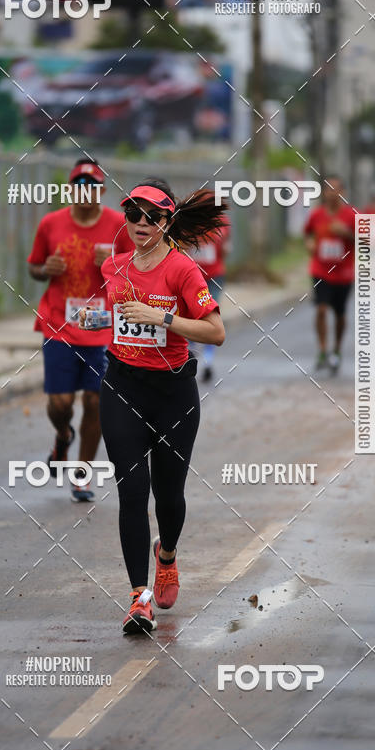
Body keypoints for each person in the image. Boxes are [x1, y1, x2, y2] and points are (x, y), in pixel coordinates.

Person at [80, 178, 226, 634]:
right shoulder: (114, 267)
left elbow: (216, 331)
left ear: (167, 222)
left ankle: (167, 555)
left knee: (169, 496)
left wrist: (161, 316)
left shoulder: (183, 271)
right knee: (131, 492)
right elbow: (114, 316)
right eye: (132, 214)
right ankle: (138, 599)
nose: (140, 223)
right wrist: (93, 317)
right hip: (123, 385)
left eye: (151, 216)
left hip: (173, 394)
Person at [27, 158, 133, 501]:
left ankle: (82, 474)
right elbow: (33, 267)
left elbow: (139, 269)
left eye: (93, 185)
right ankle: (63, 435)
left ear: (101, 190)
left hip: (103, 325)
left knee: (95, 400)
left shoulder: (120, 225)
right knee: (60, 404)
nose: (86, 192)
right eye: (79, 185)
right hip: (60, 322)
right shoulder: (50, 224)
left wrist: (115, 265)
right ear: (71, 189)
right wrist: (46, 268)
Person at [304, 178, 356, 373]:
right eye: (329, 189)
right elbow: (307, 233)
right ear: (324, 192)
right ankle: (323, 350)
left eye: (337, 189)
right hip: (320, 271)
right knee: (321, 309)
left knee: (340, 314)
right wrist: (309, 243)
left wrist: (346, 234)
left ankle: (337, 349)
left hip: (343, 274)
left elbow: (368, 240)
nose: (332, 193)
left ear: (343, 192)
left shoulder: (350, 215)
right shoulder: (316, 215)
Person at [188, 215, 231, 381]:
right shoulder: (188, 225)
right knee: (190, 316)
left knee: (211, 318)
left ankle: (207, 362)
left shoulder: (221, 224)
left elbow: (224, 249)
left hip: (214, 277)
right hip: (191, 278)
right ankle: (192, 353)